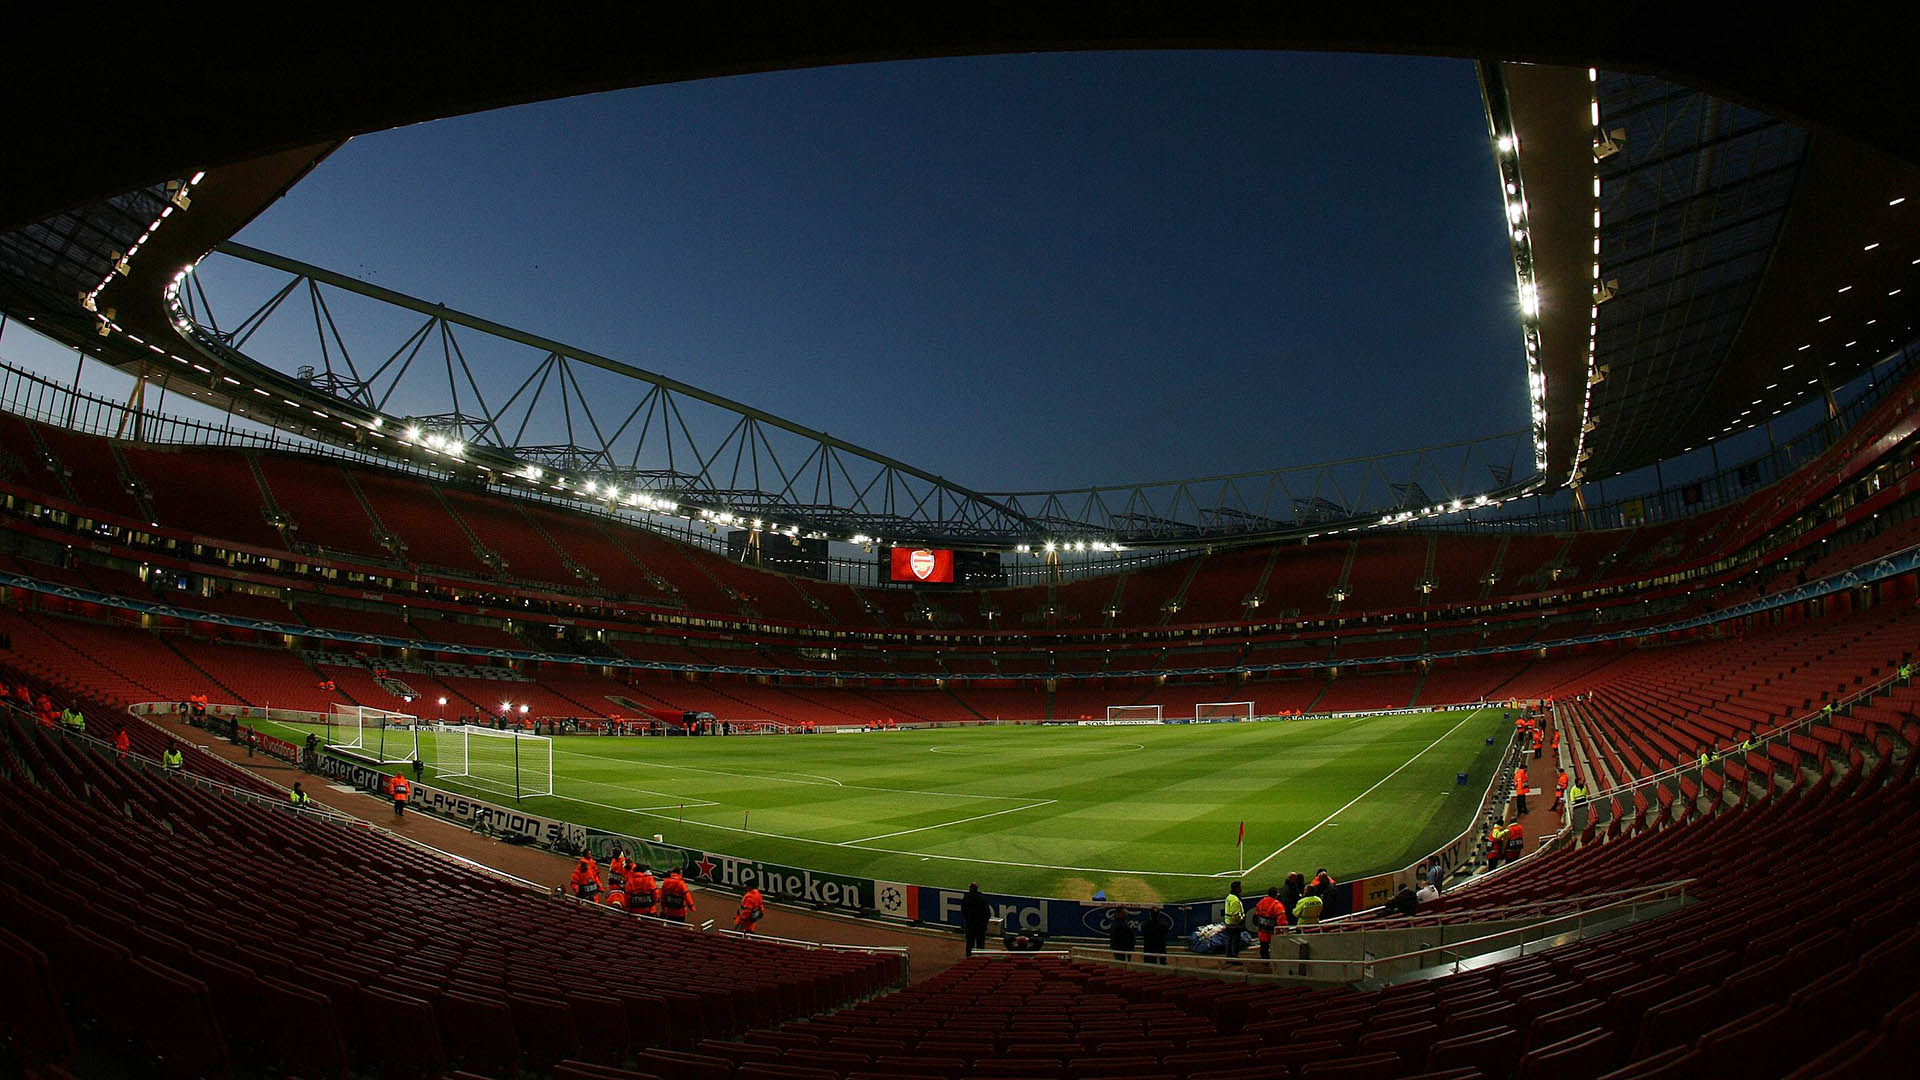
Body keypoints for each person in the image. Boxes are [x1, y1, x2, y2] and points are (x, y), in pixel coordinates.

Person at [1254, 887, 1287, 959]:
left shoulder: (1261, 902)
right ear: (1276, 895)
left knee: (1263, 947)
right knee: (1277, 948)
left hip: (1262, 930)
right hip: (1273, 932)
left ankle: (1265, 961)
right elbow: (1281, 919)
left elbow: (1257, 914)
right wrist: (1283, 929)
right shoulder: (1277, 905)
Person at [961, 883, 990, 956]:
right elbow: (987, 913)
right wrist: (984, 923)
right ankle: (980, 958)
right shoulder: (982, 898)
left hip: (970, 925)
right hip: (980, 925)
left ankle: (969, 959)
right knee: (980, 943)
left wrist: (967, 921)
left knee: (970, 943)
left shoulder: (966, 898)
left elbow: (963, 911)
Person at [1222, 882, 1246, 963]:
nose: (1241, 888)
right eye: (1240, 887)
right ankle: (1235, 958)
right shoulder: (1235, 900)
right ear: (1237, 888)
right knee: (1235, 942)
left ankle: (1228, 958)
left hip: (1228, 923)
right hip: (1234, 924)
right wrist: (1241, 919)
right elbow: (1235, 914)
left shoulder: (1229, 897)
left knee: (1229, 941)